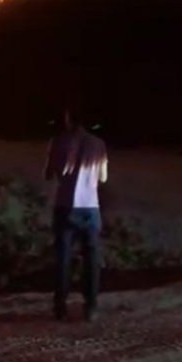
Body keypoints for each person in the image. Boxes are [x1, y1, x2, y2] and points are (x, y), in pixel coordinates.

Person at [44, 107, 108, 322]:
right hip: (90, 207)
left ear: (68, 119)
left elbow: (51, 173)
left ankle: (60, 306)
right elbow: (103, 178)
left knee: (63, 257)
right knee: (91, 257)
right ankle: (90, 306)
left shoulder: (58, 141)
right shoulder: (98, 144)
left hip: (64, 206)